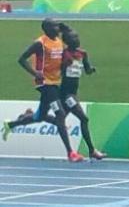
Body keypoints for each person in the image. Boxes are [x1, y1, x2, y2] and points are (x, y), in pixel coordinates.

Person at [2, 19, 83, 162]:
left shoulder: (58, 40)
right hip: (44, 83)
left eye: (58, 26)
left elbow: (71, 38)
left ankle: (12, 124)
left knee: (40, 117)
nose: (57, 28)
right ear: (46, 29)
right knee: (60, 113)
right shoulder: (40, 43)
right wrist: (34, 73)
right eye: (54, 26)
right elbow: (21, 59)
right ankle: (71, 153)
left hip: (55, 81)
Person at [59, 27, 106, 160]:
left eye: (77, 37)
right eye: (73, 38)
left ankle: (20, 121)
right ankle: (92, 150)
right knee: (84, 118)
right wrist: (64, 65)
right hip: (66, 94)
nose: (77, 40)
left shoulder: (82, 53)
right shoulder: (64, 53)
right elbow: (57, 71)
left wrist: (91, 69)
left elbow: (87, 69)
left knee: (58, 120)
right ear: (67, 41)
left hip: (74, 92)